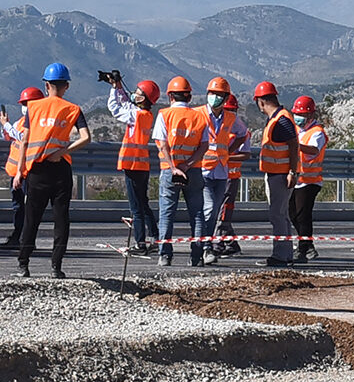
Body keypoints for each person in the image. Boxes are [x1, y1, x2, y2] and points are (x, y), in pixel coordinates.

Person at [14, 63, 93, 278]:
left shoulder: (33, 108)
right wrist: (63, 151)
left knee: (32, 218)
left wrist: (20, 171)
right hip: (61, 170)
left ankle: (23, 264)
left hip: (37, 171)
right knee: (61, 218)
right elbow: (86, 138)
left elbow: (24, 141)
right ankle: (56, 267)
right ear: (66, 86)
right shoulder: (73, 109)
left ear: (46, 85)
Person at [153, 76, 212, 266]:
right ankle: (196, 257)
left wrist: (174, 168)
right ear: (189, 97)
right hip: (193, 171)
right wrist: (188, 165)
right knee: (197, 214)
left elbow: (162, 145)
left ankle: (165, 255)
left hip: (170, 171)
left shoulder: (164, 115)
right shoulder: (200, 117)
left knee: (167, 213)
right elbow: (204, 147)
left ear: (170, 96)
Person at [105, 75, 160, 252]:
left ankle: (140, 244)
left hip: (132, 164)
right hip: (141, 165)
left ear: (143, 98)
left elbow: (114, 108)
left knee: (136, 208)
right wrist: (118, 86)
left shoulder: (136, 115)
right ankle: (155, 238)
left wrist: (114, 89)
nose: (134, 95)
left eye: (137, 93)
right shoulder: (145, 114)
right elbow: (128, 104)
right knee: (143, 204)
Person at [251, 81, 299, 267]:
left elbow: (293, 145)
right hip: (277, 174)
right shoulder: (277, 118)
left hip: (280, 175)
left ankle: (280, 255)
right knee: (281, 214)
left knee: (277, 215)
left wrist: (291, 172)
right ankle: (285, 253)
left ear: (261, 102)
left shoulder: (281, 120)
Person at [200, 77, 242, 262]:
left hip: (222, 173)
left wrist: (227, 153)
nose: (215, 97)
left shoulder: (231, 119)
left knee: (216, 212)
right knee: (209, 211)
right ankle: (207, 247)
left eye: (219, 95)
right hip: (202, 171)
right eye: (212, 93)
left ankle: (210, 245)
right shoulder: (198, 114)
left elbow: (243, 137)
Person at [0, 87, 39, 252]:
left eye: (28, 103)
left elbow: (23, 137)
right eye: (24, 103)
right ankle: (18, 236)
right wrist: (5, 126)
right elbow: (9, 136)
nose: (25, 106)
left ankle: (26, 239)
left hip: (27, 172)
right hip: (16, 172)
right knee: (18, 207)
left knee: (28, 207)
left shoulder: (36, 123)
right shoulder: (21, 122)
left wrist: (7, 125)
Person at [288, 95, 327, 262]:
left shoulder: (317, 132)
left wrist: (295, 145)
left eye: (302, 115)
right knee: (292, 214)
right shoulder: (297, 130)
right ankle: (307, 244)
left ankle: (304, 248)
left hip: (310, 181)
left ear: (311, 115)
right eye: (297, 114)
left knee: (303, 215)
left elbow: (313, 150)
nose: (299, 118)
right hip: (297, 179)